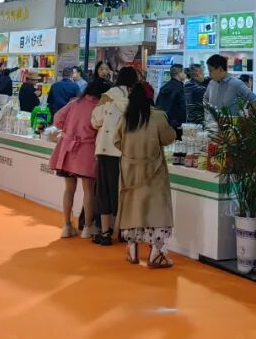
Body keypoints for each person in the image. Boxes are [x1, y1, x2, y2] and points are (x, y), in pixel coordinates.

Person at [114, 81, 178, 268]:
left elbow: (116, 140)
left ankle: (132, 249)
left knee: (133, 208)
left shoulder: (126, 117)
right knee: (156, 209)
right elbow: (168, 138)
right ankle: (156, 254)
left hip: (130, 171)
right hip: (154, 170)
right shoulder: (158, 116)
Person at [50, 79, 101, 238]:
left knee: (69, 189)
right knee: (89, 190)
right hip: (87, 150)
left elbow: (57, 119)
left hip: (67, 150)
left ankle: (66, 225)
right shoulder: (99, 107)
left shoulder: (74, 103)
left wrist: (68, 129)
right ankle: (88, 227)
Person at [91, 70, 132, 246]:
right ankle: (123, 231)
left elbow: (95, 121)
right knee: (124, 191)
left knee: (104, 191)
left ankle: (105, 233)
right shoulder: (135, 99)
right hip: (127, 151)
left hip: (106, 149)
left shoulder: (108, 97)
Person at [155, 64, 187, 131]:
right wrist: (184, 122)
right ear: (179, 74)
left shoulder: (164, 87)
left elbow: (157, 104)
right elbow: (183, 106)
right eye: (183, 72)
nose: (185, 74)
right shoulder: (180, 87)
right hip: (176, 123)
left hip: (163, 120)